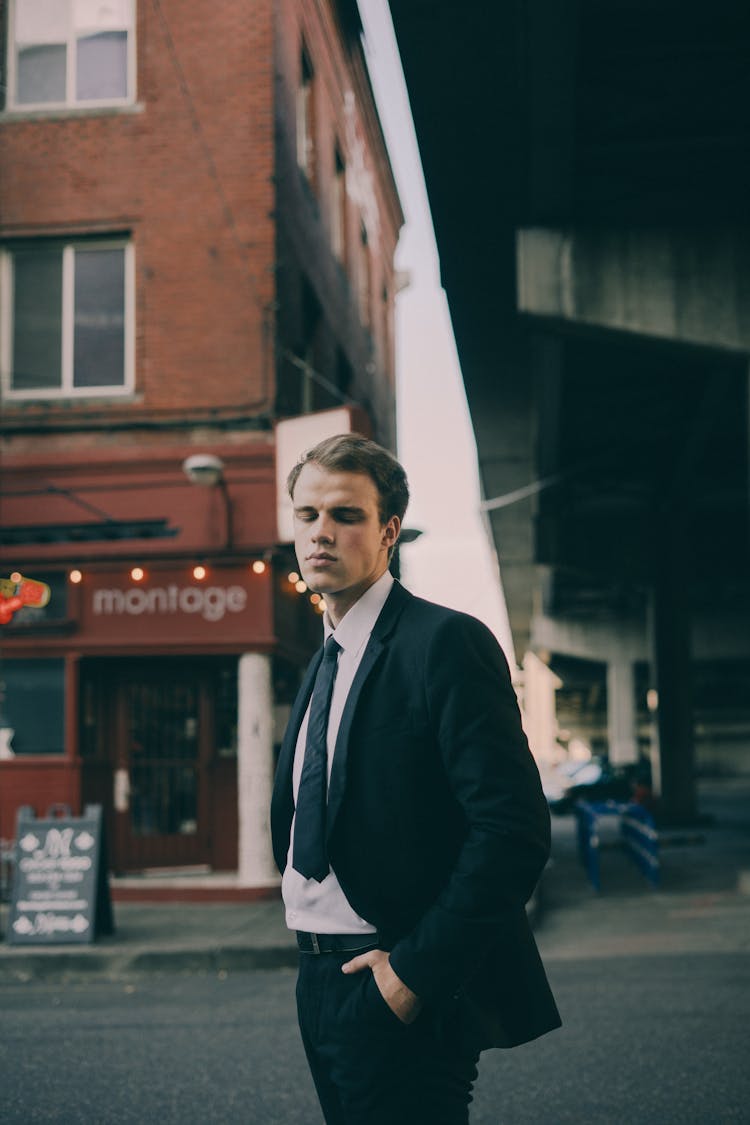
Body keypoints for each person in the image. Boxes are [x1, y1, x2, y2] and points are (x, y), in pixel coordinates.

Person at [270, 434, 561, 1125]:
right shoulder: (323, 660)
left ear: (388, 531)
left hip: (398, 974)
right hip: (317, 976)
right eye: (307, 515)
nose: (321, 533)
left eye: (345, 515)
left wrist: (411, 977)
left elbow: (512, 830)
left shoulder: (444, 642)